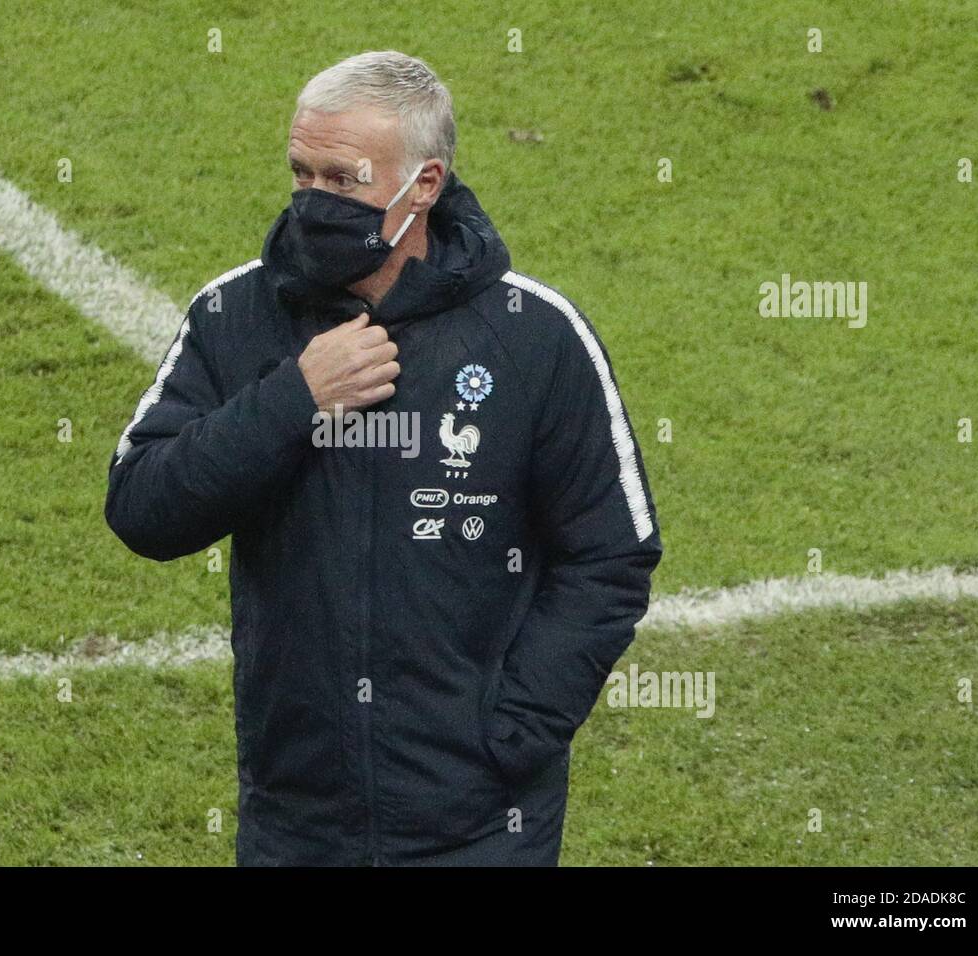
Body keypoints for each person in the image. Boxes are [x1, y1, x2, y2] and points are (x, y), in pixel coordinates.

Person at [106, 50, 662, 865]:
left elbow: (611, 553)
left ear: (424, 185)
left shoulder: (534, 337)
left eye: (344, 180)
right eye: (303, 176)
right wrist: (294, 398)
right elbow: (143, 508)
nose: (314, 203)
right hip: (297, 816)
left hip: (481, 826)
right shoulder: (235, 316)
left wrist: (512, 731)